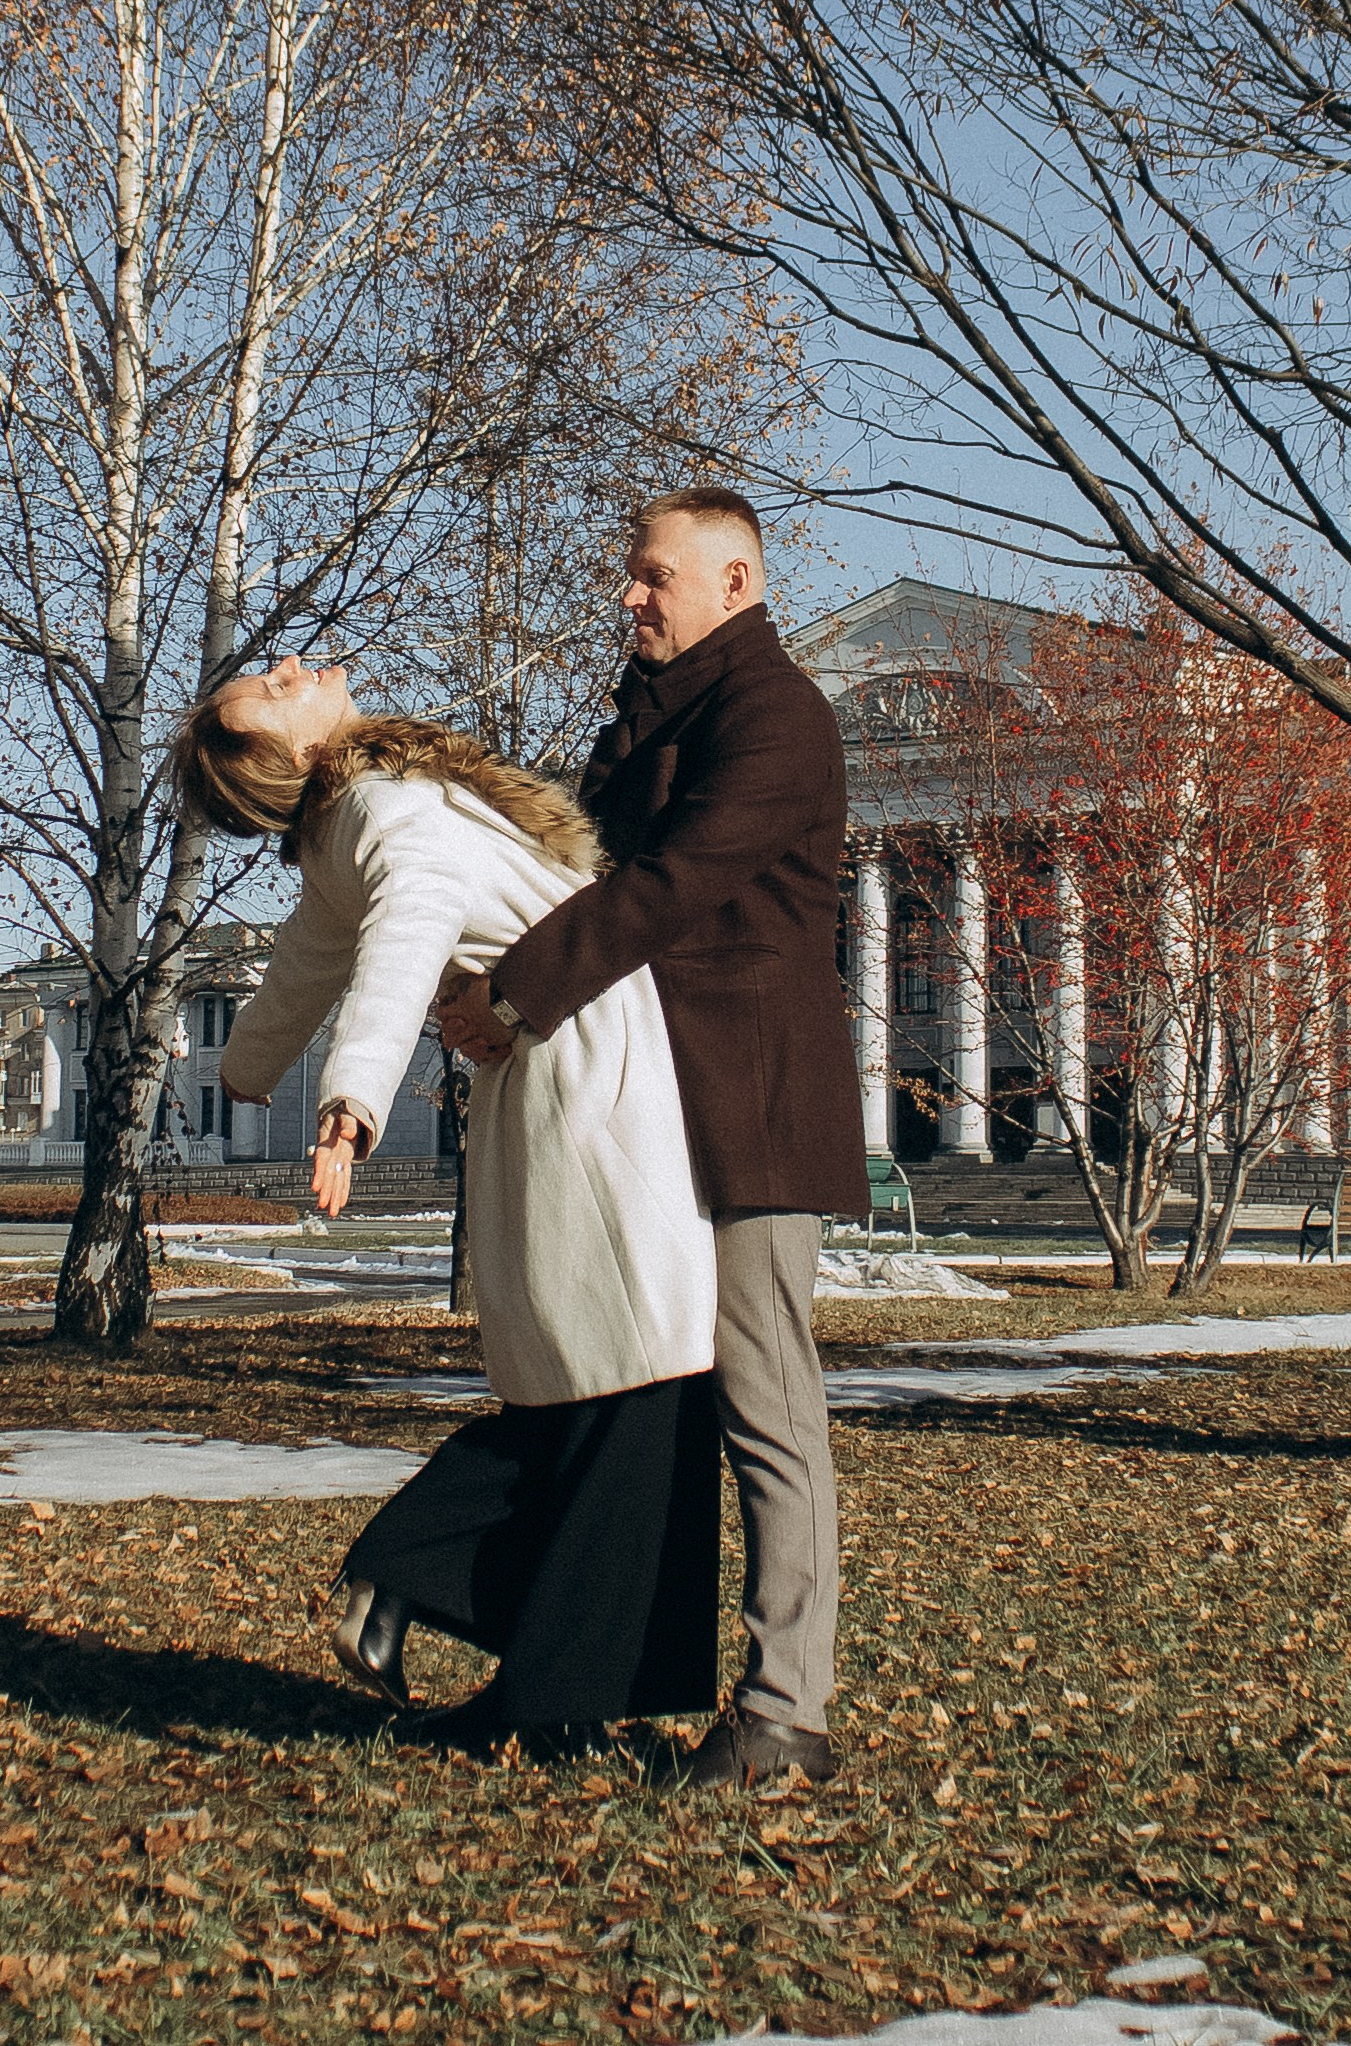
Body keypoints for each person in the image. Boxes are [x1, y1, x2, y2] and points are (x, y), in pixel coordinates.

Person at [176, 657, 720, 1755]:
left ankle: (547, 1691)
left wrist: (246, 1068)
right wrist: (351, 1096)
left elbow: (304, 964)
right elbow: (404, 933)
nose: (288, 668)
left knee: (595, 1384)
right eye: (271, 694)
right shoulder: (383, 804)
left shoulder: (343, 825)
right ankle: (418, 1573)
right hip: (594, 1072)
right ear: (298, 756)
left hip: (546, 1070)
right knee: (644, 1381)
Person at [439, 486, 864, 1787]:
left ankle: (786, 1709)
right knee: (615, 1397)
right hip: (639, 1114)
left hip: (742, 1111)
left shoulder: (776, 714)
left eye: (653, 576)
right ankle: (564, 1684)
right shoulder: (653, 710)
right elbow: (576, 877)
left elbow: (665, 889)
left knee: (761, 1405)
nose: (629, 594)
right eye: (629, 574)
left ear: (736, 582)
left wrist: (508, 996)